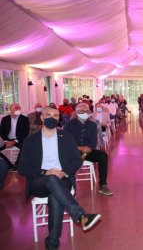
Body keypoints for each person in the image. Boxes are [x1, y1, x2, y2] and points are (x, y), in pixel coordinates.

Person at [17, 106, 101, 250]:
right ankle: (80, 216)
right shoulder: (31, 140)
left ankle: (52, 244)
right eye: (48, 115)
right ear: (42, 117)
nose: (52, 118)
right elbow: (21, 167)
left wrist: (64, 172)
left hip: (63, 179)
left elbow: (77, 160)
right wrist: (45, 172)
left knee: (55, 194)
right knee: (51, 179)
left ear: (59, 119)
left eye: (56, 115)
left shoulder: (66, 137)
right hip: (39, 181)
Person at [64, 103, 113, 196]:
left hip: (88, 151)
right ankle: (69, 186)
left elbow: (93, 143)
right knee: (70, 161)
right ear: (77, 112)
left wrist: (86, 151)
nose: (85, 113)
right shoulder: (70, 125)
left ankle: (103, 185)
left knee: (103, 156)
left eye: (86, 111)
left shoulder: (92, 125)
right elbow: (66, 142)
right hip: (73, 151)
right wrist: (80, 148)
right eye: (82, 111)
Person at [0, 103, 30, 169]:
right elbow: (1, 132)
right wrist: (5, 141)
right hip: (7, 140)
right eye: (16, 108)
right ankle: (9, 165)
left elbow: (25, 132)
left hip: (19, 140)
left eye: (19, 107)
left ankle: (16, 165)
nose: (18, 109)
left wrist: (15, 141)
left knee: (25, 147)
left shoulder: (25, 119)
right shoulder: (5, 119)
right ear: (11, 109)